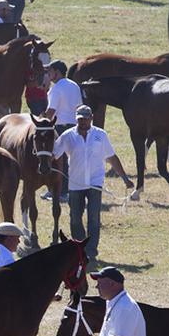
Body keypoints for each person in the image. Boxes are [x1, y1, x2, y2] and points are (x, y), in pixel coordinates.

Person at [52, 105, 132, 259]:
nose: (82, 122)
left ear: (91, 119)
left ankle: (91, 252)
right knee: (75, 218)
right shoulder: (68, 136)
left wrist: (125, 178)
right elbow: (54, 155)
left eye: (85, 119)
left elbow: (111, 157)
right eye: (79, 119)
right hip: (75, 183)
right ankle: (79, 249)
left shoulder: (100, 135)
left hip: (95, 182)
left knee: (94, 218)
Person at [44, 61, 81, 133]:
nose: (48, 73)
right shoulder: (75, 85)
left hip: (60, 128)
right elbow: (79, 107)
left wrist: (43, 123)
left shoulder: (56, 88)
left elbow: (51, 111)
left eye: (50, 70)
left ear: (57, 71)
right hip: (75, 127)